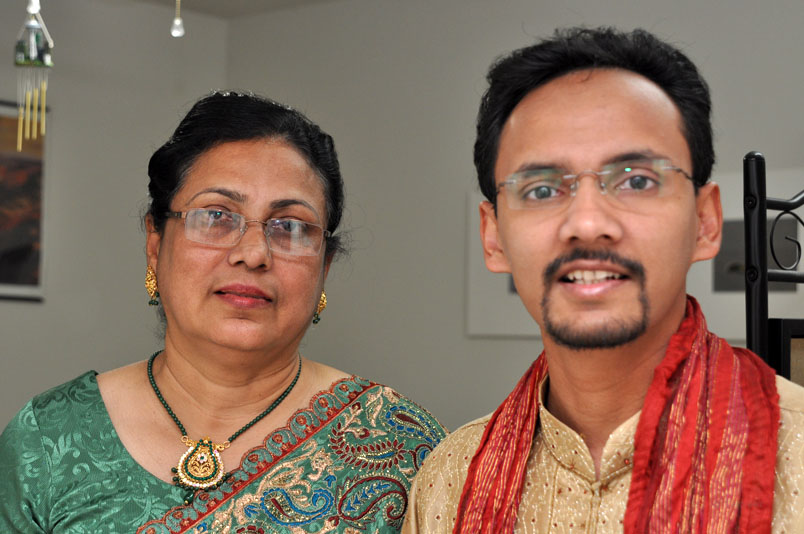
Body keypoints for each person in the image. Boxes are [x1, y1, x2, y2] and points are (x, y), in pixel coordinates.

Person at [403, 27, 804, 533]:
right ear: (494, 237)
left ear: (705, 222)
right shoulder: (449, 481)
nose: (588, 223)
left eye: (636, 181)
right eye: (542, 189)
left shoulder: (795, 454)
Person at [0, 91, 446, 533]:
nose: (253, 254)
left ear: (323, 267)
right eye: (216, 216)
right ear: (155, 245)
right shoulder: (48, 440)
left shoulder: (403, 447)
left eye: (290, 227)